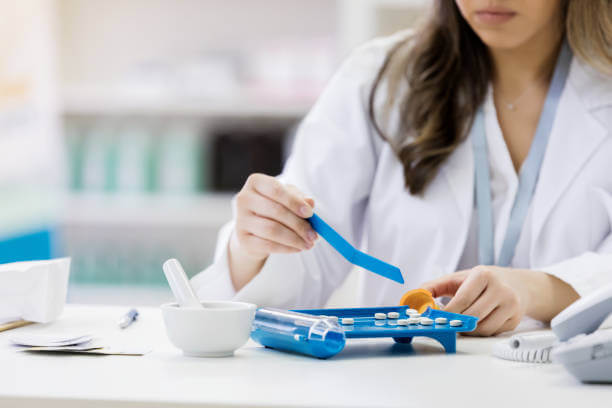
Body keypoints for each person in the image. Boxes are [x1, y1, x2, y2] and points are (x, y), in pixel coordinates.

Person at [192, 0, 612, 336]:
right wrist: (258, 243)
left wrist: (540, 289)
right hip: (400, 388)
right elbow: (303, 266)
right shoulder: (380, 78)